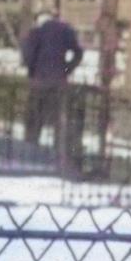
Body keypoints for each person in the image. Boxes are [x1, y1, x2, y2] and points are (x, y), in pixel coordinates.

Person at [20, 9, 84, 153]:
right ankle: (58, 150)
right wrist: (67, 69)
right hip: (59, 81)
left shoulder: (36, 32)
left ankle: (31, 146)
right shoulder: (66, 30)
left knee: (35, 116)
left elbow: (28, 55)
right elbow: (78, 52)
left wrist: (31, 71)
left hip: (39, 81)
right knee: (59, 117)